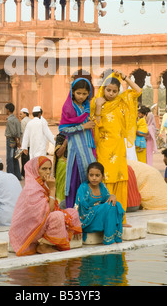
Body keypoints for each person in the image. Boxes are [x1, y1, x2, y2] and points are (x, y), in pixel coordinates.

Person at [90, 70, 142, 223]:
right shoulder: (96, 102)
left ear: (118, 91)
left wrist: (125, 77)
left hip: (119, 149)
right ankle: (104, 219)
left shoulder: (121, 100)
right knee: (105, 178)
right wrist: (99, 107)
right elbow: (95, 125)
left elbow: (138, 91)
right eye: (108, 90)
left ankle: (120, 219)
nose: (111, 93)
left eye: (115, 91)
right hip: (103, 147)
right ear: (103, 88)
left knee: (120, 178)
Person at [9, 156, 82, 256]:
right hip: (32, 229)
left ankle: (52, 241)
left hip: (42, 223)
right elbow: (49, 210)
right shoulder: (31, 189)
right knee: (57, 216)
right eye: (44, 169)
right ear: (35, 170)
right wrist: (52, 189)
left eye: (49, 169)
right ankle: (44, 246)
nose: (48, 172)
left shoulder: (42, 184)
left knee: (72, 212)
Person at [59, 78, 96, 209]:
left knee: (90, 176)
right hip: (76, 150)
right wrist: (83, 127)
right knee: (75, 178)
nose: (81, 96)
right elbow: (63, 129)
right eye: (78, 93)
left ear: (89, 94)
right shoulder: (68, 107)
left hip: (88, 147)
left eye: (84, 94)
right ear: (72, 92)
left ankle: (88, 209)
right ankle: (73, 210)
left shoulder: (87, 107)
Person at [75, 162, 124, 244]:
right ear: (88, 176)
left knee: (116, 204)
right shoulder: (83, 188)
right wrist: (98, 208)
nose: (94, 178)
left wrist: (112, 196)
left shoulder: (102, 187)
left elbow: (107, 202)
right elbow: (81, 210)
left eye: (97, 175)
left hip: (100, 219)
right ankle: (108, 239)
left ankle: (113, 236)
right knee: (108, 206)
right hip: (88, 221)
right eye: (91, 175)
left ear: (102, 176)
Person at [5, 102, 22, 180]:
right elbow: (19, 132)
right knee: (15, 158)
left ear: (8, 110)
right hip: (15, 140)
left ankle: (10, 177)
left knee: (10, 158)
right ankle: (17, 175)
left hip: (11, 140)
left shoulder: (10, 120)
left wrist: (17, 142)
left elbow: (13, 133)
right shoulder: (16, 119)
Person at [52, 133, 68, 206]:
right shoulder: (61, 136)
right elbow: (58, 153)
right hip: (62, 168)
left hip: (75, 166)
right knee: (61, 190)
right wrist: (66, 141)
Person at [19, 108, 31, 177]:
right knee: (28, 158)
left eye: (21, 114)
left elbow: (23, 133)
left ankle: (24, 173)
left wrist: (22, 145)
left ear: (25, 114)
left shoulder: (23, 121)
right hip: (30, 143)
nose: (20, 115)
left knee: (24, 159)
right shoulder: (30, 120)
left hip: (25, 143)